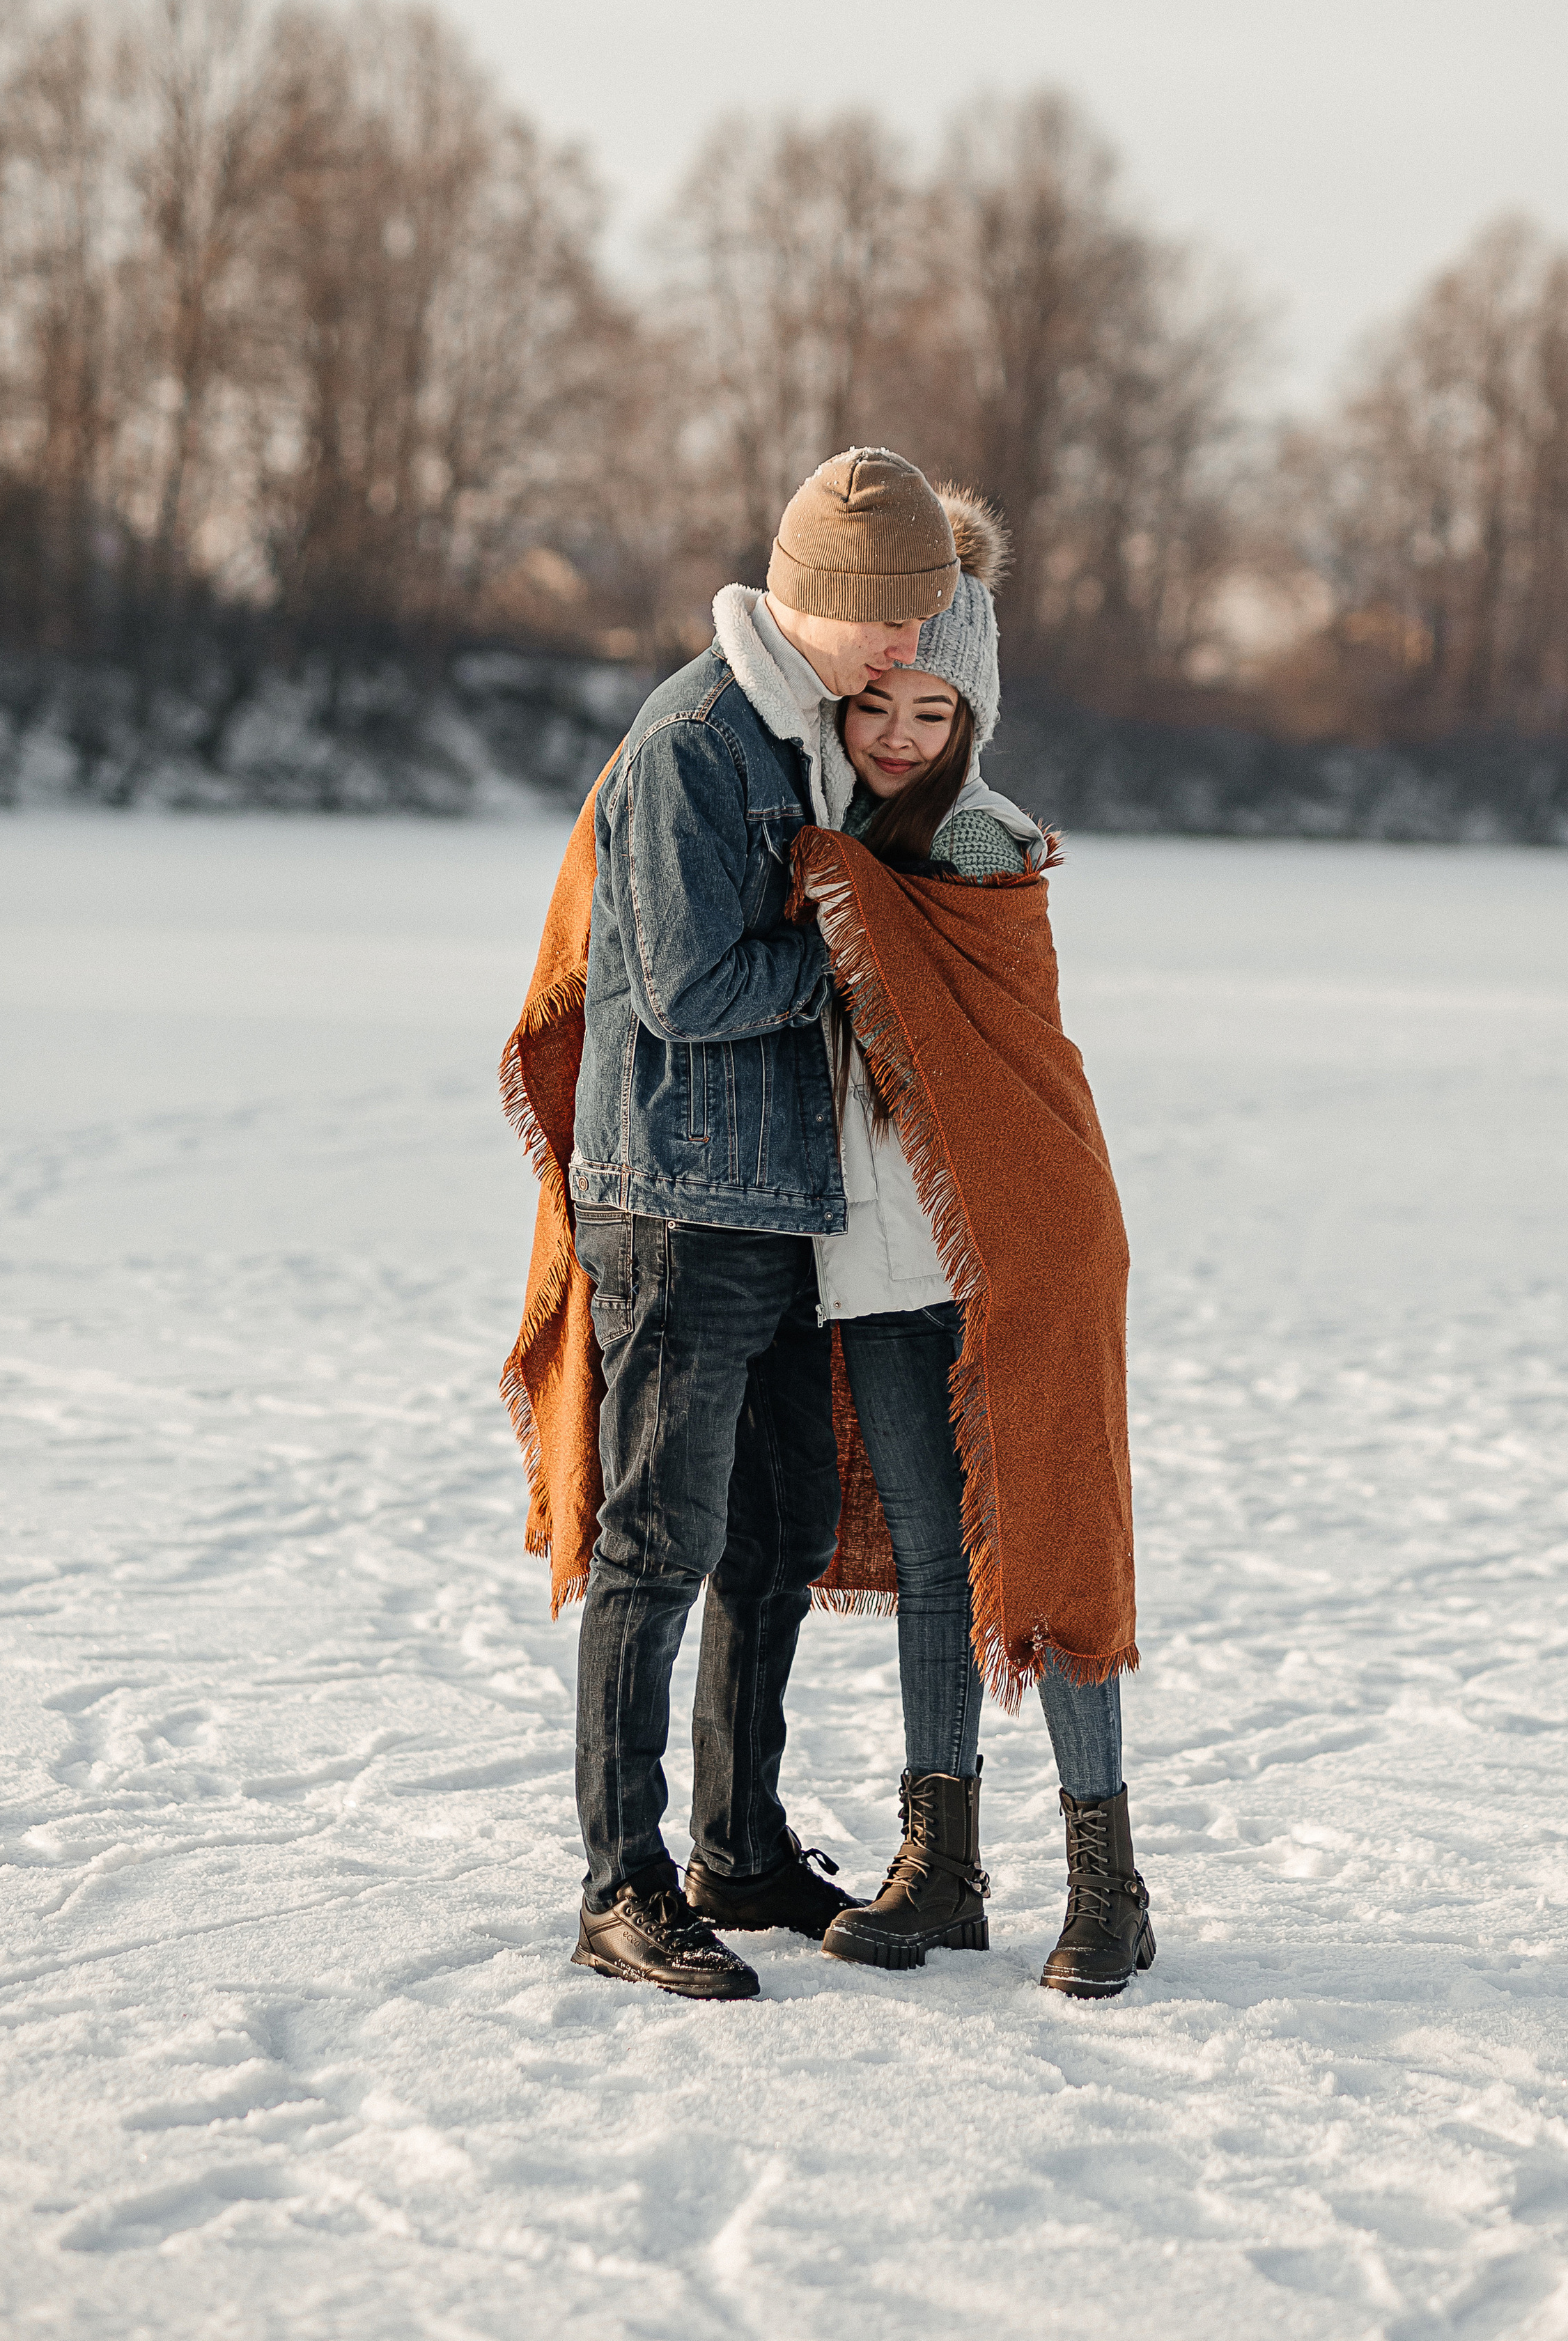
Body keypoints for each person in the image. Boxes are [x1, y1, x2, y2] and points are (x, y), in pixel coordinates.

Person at [561, 447, 960, 1998]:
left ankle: (737, 1844)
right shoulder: (696, 742)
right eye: (897, 618)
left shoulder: (807, 729)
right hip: (671, 1204)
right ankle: (621, 1881)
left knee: (781, 1532)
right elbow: (687, 988)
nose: (911, 648)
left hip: (776, 1201)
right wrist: (864, 964)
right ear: (830, 607)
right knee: (653, 1546)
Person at [809, 492, 1155, 1998]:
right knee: (940, 1565)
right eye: (874, 701)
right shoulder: (819, 832)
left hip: (1014, 1245)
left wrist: (833, 893)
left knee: (1052, 1545)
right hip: (876, 1263)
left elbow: (989, 1058)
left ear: (973, 711)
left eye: (929, 704)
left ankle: (1107, 1884)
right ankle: (938, 1867)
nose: (896, 732)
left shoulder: (973, 839)